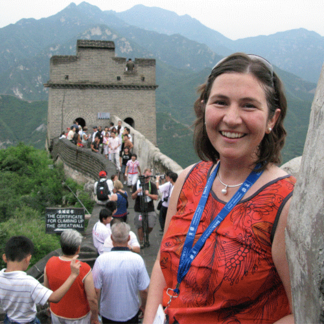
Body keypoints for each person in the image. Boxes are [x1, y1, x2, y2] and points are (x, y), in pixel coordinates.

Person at [143, 53, 296, 324]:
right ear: (204, 108)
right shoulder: (188, 179)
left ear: (272, 118)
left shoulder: (285, 203)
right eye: (220, 102)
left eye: (249, 106)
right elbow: (162, 264)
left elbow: (298, 312)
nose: (231, 118)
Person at [0, 236, 81, 324]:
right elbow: (54, 298)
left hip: (8, 320)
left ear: (4, 257)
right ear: (28, 258)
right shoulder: (29, 282)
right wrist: (73, 275)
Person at [92, 222, 150, 323]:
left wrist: (95, 311)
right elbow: (144, 290)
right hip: (131, 311)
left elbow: (96, 290)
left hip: (108, 312)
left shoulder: (101, 260)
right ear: (128, 238)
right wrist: (144, 306)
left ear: (111, 238)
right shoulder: (137, 260)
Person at [44, 230, 99, 324]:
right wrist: (95, 317)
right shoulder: (84, 268)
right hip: (78, 316)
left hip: (56, 312)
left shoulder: (50, 262)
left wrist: (49, 305)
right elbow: (92, 298)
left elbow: (46, 289)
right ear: (78, 249)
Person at [132, 168, 158, 248]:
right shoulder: (137, 184)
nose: (147, 178)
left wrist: (148, 194)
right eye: (146, 176)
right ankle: (141, 241)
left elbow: (156, 197)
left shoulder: (152, 185)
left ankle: (145, 234)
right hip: (139, 208)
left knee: (150, 225)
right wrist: (137, 192)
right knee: (140, 226)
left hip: (149, 208)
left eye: (149, 177)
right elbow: (132, 197)